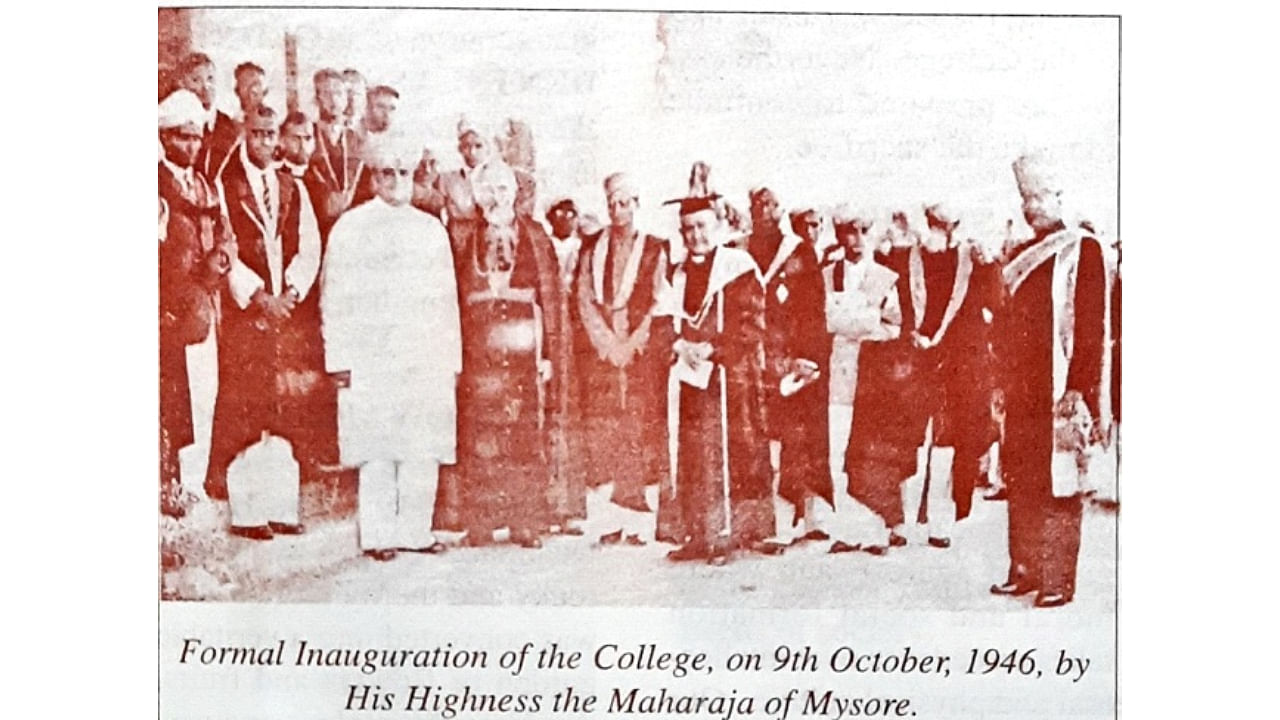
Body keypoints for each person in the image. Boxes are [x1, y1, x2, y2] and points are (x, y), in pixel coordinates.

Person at [320, 136, 461, 561]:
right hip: (372, 354)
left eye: (404, 172)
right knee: (378, 445)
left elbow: (446, 299)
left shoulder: (431, 229)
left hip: (423, 353)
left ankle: (415, 530)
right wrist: (338, 357)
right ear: (373, 177)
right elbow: (335, 295)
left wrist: (452, 358)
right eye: (387, 172)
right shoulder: (351, 227)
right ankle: (379, 535)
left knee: (421, 444)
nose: (396, 180)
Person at [990, 153, 1107, 608]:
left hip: (1059, 387)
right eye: (1026, 198)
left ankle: (1057, 579)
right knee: (1022, 476)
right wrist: (999, 381)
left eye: (1040, 196)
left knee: (1059, 481)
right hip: (1021, 386)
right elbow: (1003, 326)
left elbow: (1091, 324)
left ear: (1058, 197)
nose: (1032, 206)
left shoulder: (1083, 249)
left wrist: (1078, 386)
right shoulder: (1020, 256)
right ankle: (1024, 570)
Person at [204, 105, 322, 538]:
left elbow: (310, 243)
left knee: (284, 404)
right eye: (257, 135)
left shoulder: (290, 186)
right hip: (248, 313)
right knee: (248, 404)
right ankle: (249, 512)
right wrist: (258, 297)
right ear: (244, 137)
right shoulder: (227, 186)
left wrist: (291, 292)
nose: (266, 143)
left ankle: (281, 506)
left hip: (283, 313)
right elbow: (224, 245)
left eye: (272, 135)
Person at [660, 195, 771, 565]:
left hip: (729, 378)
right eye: (688, 229)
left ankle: (729, 535)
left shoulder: (737, 267)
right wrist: (677, 343)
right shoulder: (675, 274)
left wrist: (713, 349)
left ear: (718, 227)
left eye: (701, 227)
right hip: (690, 377)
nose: (695, 236)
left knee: (727, 452)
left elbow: (752, 324)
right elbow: (662, 322)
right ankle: (696, 534)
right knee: (692, 453)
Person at [576, 172, 676, 546]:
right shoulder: (592, 247)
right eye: (612, 204)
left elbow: (658, 301)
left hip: (640, 353)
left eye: (625, 203)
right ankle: (608, 522)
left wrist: (633, 342)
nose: (618, 211)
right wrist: (605, 343)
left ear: (637, 204)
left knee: (638, 431)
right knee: (605, 433)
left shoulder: (654, 248)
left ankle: (637, 522)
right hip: (603, 354)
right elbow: (584, 298)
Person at [455, 212, 562, 548]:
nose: (498, 250)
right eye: (491, 242)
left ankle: (525, 522)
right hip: (483, 371)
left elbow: (548, 312)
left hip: (521, 368)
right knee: (482, 442)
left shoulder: (530, 273)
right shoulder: (471, 277)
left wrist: (547, 359)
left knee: (523, 443)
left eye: (505, 243)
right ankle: (482, 521)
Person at [896, 203, 991, 548]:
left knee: (947, 443)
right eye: (933, 222)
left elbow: (995, 302)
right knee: (909, 439)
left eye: (945, 224)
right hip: (916, 359)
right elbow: (899, 304)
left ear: (956, 227)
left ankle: (941, 521)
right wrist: (911, 334)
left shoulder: (972, 262)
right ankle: (902, 519)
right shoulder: (908, 257)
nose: (938, 229)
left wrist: (989, 264)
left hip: (958, 366)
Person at [158, 88, 235, 517]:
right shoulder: (156, 184)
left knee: (206, 391)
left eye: (194, 138)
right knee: (175, 397)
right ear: (164, 138)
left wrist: (220, 260)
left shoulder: (206, 184)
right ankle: (172, 484)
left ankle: (197, 479)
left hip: (209, 303)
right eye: (179, 137)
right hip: (174, 306)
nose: (188, 145)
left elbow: (226, 235)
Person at [745, 187, 832, 548]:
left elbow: (814, 311)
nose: (765, 210)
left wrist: (806, 359)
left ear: (781, 210)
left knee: (796, 437)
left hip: (791, 360)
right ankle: (758, 519)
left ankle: (798, 515)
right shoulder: (739, 250)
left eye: (772, 204)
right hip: (753, 359)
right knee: (756, 436)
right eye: (758, 204)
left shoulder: (799, 252)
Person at [842, 206, 919, 556]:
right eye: (847, 231)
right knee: (840, 448)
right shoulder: (828, 273)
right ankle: (847, 527)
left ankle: (883, 525)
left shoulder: (885, 277)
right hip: (838, 370)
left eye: (861, 231)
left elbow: (896, 325)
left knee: (872, 451)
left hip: (875, 373)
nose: (854, 239)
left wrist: (866, 325)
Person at [541, 197, 592, 534]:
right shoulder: (544, 248)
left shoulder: (585, 249)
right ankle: (546, 504)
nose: (565, 220)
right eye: (558, 215)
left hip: (577, 339)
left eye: (571, 215)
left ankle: (571, 505)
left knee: (572, 417)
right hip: (549, 336)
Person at [310, 68, 363, 234]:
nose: (333, 100)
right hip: (317, 222)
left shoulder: (356, 140)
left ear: (347, 99)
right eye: (326, 93)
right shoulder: (307, 134)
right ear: (317, 98)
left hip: (352, 225)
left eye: (338, 93)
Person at [175, 52, 238, 181]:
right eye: (196, 80)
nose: (206, 87)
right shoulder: (176, 125)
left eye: (210, 78)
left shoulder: (230, 126)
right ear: (182, 84)